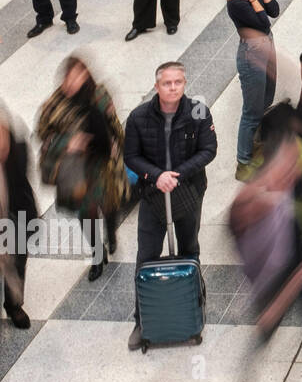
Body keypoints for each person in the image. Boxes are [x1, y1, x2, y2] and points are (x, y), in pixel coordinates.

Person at [124, 60, 217, 350]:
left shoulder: (198, 111)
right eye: (167, 83)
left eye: (178, 82)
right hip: (153, 196)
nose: (173, 87)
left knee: (190, 248)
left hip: (188, 191)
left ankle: (193, 304)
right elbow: (131, 157)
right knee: (146, 255)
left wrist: (178, 175)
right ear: (157, 86)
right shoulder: (138, 117)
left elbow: (209, 149)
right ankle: (143, 320)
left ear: (184, 84)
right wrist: (156, 176)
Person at [36, 56, 126, 282]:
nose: (74, 81)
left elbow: (113, 123)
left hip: (105, 164)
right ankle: (97, 254)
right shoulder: (54, 105)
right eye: (70, 77)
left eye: (79, 75)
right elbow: (42, 135)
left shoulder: (99, 94)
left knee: (110, 204)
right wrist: (68, 142)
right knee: (87, 214)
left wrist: (118, 145)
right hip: (77, 169)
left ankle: (112, 234)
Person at [225, 0, 279, 181]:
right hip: (252, 54)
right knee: (251, 111)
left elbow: (274, 10)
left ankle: (258, 148)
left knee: (266, 100)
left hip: (266, 46)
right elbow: (262, 22)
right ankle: (243, 162)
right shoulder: (236, 0)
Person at [0, 109, 35, 328]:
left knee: (18, 260)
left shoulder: (18, 149)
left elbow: (22, 188)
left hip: (17, 215)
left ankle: (13, 305)